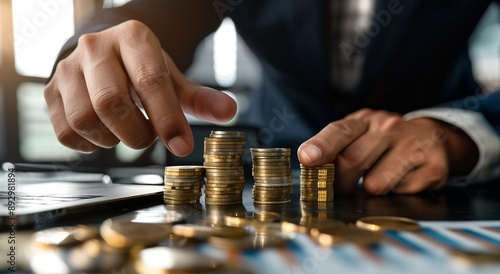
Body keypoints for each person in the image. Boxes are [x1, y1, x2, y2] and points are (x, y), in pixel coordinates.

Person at [44, 0, 500, 195]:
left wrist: (455, 132)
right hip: (272, 165)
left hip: (445, 174)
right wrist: (101, 47)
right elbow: (157, 12)